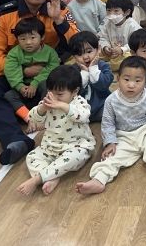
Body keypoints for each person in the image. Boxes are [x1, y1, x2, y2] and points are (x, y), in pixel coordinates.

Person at [0, 0, 79, 165]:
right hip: (13, 73)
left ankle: (4, 113)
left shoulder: (60, 10)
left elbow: (77, 45)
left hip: (50, 71)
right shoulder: (2, 14)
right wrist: (23, 72)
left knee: (75, 90)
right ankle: (16, 140)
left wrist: (58, 19)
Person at [75, 56, 146, 195]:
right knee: (111, 158)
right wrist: (110, 142)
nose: (131, 85)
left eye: (137, 81)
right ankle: (99, 180)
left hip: (145, 131)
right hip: (123, 136)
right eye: (126, 79)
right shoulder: (111, 100)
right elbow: (108, 123)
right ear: (118, 78)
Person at [16, 65, 96, 196]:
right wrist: (42, 109)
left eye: (60, 94)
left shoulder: (79, 103)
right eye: (50, 92)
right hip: (50, 147)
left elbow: (83, 116)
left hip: (76, 146)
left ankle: (38, 179)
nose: (54, 97)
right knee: (32, 157)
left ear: (75, 91)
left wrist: (63, 106)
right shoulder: (47, 103)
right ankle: (52, 177)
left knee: (75, 157)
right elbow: (33, 118)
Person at [3, 17, 60, 124]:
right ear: (17, 39)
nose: (28, 42)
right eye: (23, 39)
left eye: (33, 37)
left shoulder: (50, 52)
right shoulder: (14, 54)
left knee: (47, 86)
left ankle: (43, 114)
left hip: (41, 87)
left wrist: (35, 83)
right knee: (9, 95)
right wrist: (20, 86)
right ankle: (28, 118)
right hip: (24, 88)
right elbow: (11, 71)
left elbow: (53, 70)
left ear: (42, 37)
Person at [68, 31, 113, 122]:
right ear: (74, 57)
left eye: (89, 51)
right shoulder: (72, 70)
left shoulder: (103, 66)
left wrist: (93, 69)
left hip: (102, 106)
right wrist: (84, 73)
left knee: (114, 110)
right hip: (80, 109)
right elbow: (72, 91)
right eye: (79, 54)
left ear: (98, 49)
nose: (85, 57)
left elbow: (103, 85)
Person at [99, 0, 140, 71]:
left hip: (126, 53)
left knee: (131, 56)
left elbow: (136, 43)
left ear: (127, 12)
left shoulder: (132, 25)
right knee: (97, 53)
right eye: (109, 11)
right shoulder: (107, 22)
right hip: (112, 53)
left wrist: (122, 49)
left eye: (116, 11)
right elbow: (103, 37)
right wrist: (105, 47)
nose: (111, 14)